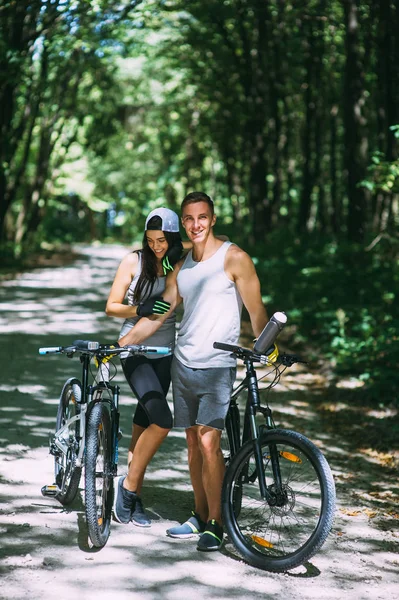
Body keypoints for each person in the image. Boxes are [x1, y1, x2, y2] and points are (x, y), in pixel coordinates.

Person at [118, 192, 268, 551]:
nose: (196, 224)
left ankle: (216, 523)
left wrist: (269, 348)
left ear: (213, 219)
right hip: (183, 362)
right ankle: (199, 515)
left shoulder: (235, 258)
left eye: (202, 217)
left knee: (208, 441)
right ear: (182, 223)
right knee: (191, 445)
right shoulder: (181, 265)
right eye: (189, 218)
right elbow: (159, 313)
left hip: (217, 364)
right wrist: (121, 348)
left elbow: (257, 312)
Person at [106, 207, 184, 527]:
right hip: (134, 349)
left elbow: (216, 241)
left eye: (162, 240)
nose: (156, 246)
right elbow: (111, 307)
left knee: (144, 422)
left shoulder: (178, 264)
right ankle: (126, 490)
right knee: (162, 419)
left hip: (164, 352)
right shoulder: (133, 261)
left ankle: (134, 494)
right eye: (151, 240)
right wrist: (139, 307)